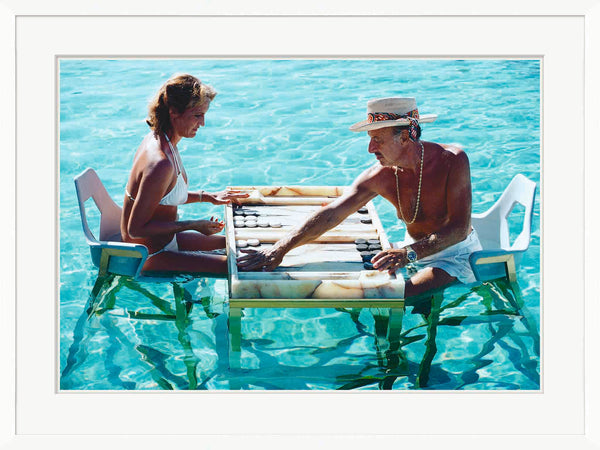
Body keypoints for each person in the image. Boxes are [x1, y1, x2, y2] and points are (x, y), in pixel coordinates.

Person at [237, 97, 482, 297]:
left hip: (454, 253)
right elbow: (332, 214)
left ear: (405, 137)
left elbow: (459, 229)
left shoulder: (451, 160)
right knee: (360, 292)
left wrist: (408, 253)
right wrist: (278, 250)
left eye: (378, 139)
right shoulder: (380, 175)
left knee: (397, 297)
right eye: (370, 140)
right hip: (410, 251)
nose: (370, 149)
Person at [121, 74, 247, 274]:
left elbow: (161, 197)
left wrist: (207, 197)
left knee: (243, 246)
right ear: (174, 112)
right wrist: (193, 225)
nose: (203, 123)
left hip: (165, 241)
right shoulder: (160, 163)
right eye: (197, 115)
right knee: (242, 267)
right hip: (148, 254)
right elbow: (135, 229)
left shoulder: (162, 140)